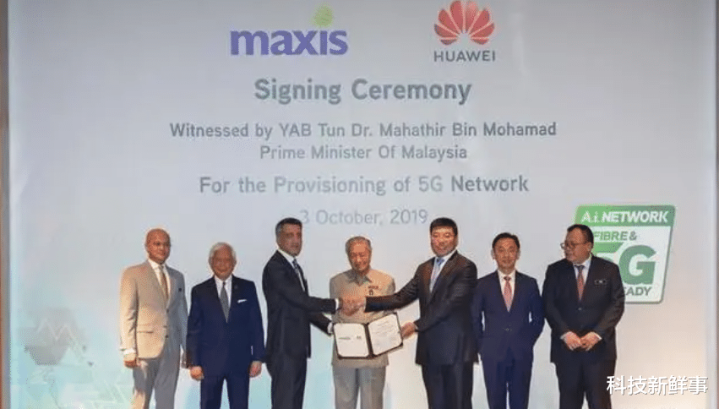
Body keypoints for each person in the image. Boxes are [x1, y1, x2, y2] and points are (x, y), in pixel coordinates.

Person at [354, 217, 478, 409]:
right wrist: (366, 302)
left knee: (459, 405)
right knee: (435, 405)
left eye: (446, 235)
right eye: (436, 236)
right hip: (430, 352)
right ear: (430, 239)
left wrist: (416, 325)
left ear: (455, 239)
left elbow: (449, 305)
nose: (441, 240)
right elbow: (401, 297)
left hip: (456, 351)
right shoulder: (424, 268)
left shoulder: (465, 267)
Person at [262, 217, 351, 409]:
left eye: (299, 235)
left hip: (296, 349)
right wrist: (337, 303)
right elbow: (300, 300)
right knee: (284, 404)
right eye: (290, 235)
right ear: (278, 239)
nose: (296, 240)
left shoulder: (294, 267)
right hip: (283, 350)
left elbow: (303, 308)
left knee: (295, 404)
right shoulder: (275, 267)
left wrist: (330, 326)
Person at [542, 224, 625, 409]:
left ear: (588, 246)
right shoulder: (555, 271)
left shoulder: (608, 270)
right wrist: (565, 333)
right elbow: (548, 305)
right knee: (569, 403)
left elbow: (617, 304)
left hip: (599, 353)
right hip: (567, 352)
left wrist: (597, 334)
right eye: (566, 244)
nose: (568, 249)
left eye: (573, 244)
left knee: (600, 403)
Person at [186, 243, 265, 409]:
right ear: (211, 262)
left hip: (240, 362)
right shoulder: (199, 291)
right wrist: (194, 363)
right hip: (209, 364)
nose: (223, 264)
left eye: (227, 260)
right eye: (218, 260)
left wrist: (258, 358)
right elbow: (193, 330)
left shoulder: (248, 288)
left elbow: (256, 325)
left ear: (234, 263)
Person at [471, 233, 544, 409]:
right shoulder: (482, 285)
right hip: (492, 353)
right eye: (501, 250)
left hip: (521, 353)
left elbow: (538, 318)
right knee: (495, 402)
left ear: (518, 254)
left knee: (520, 402)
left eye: (511, 250)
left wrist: (526, 341)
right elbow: (474, 318)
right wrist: (483, 346)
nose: (506, 255)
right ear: (493, 254)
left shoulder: (530, 284)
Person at [119, 228, 188, 409]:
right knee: (141, 401)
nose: (162, 248)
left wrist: (188, 348)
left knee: (167, 402)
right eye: (157, 244)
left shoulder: (177, 277)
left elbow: (182, 315)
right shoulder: (132, 274)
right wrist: (128, 349)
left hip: (171, 349)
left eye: (166, 244)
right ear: (147, 246)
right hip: (143, 350)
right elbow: (127, 313)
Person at [329, 236, 395, 409]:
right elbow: (335, 318)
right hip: (345, 357)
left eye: (362, 255)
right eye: (353, 255)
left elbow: (389, 318)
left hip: (374, 358)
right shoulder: (336, 282)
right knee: (343, 404)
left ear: (370, 254)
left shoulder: (385, 281)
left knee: (372, 405)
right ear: (348, 256)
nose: (358, 260)